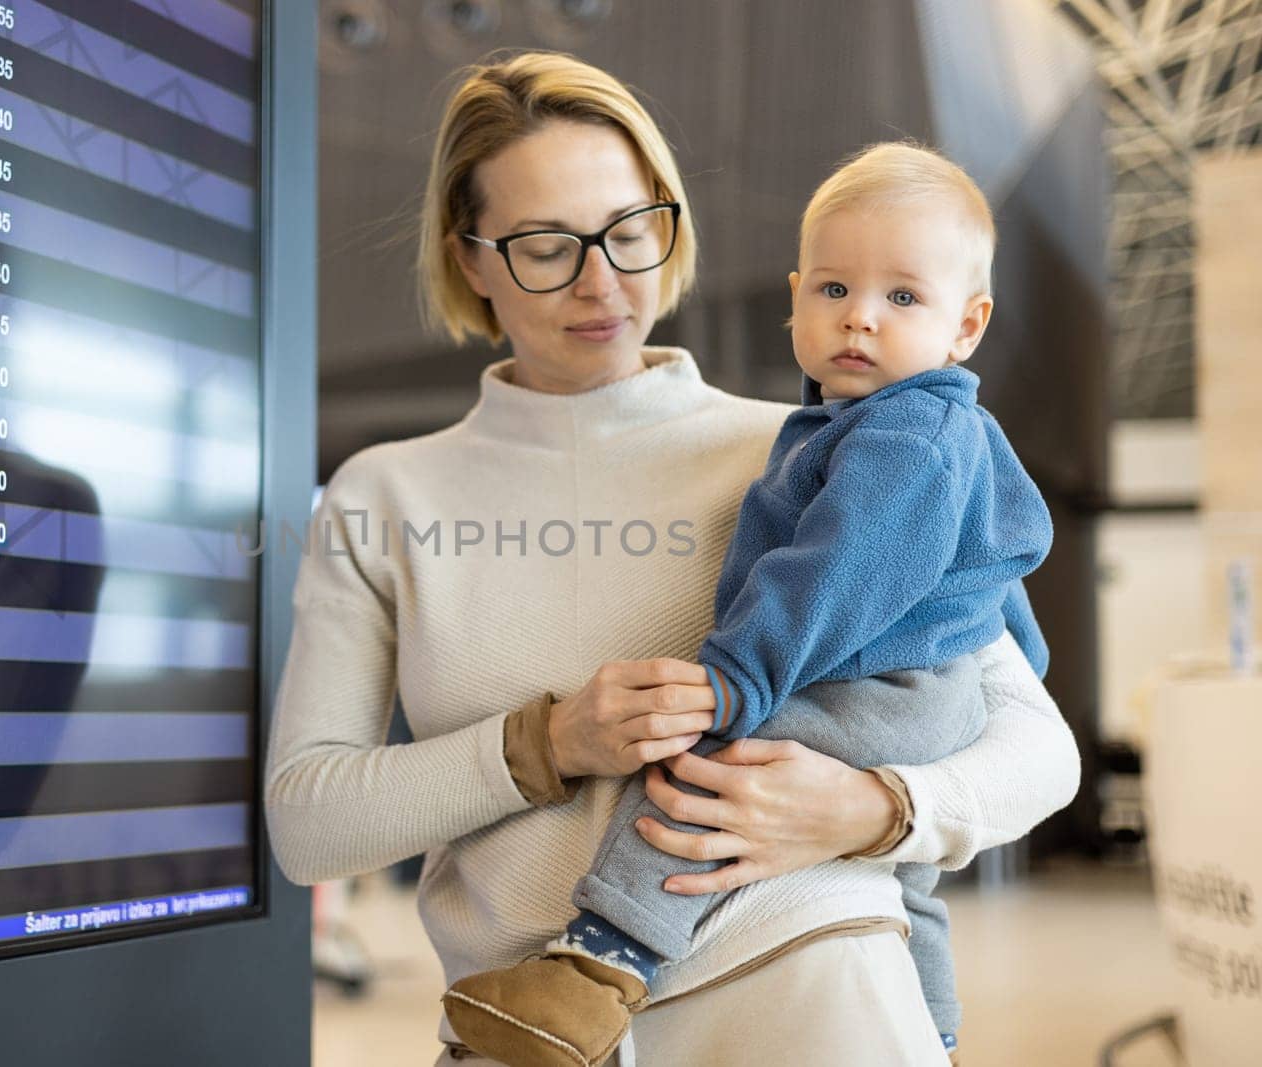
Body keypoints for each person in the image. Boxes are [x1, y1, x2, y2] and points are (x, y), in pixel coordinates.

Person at [265, 52, 1080, 1066]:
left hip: (813, 993)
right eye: (544, 246)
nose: (601, 280)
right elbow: (309, 824)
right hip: (528, 1030)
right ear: (469, 257)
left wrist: (873, 808)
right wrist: (546, 744)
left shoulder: (831, 451)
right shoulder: (383, 495)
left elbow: (1039, 749)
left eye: (628, 230)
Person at [443, 142, 1050, 1067]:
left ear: (967, 325)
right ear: (795, 296)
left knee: (705, 772)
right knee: (905, 884)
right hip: (926, 696)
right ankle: (936, 1034)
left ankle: (601, 964)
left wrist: (733, 682)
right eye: (836, 291)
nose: (861, 321)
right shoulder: (915, 426)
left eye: (903, 297)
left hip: (873, 688)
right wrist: (1011, 666)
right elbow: (998, 573)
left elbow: (831, 574)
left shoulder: (906, 433)